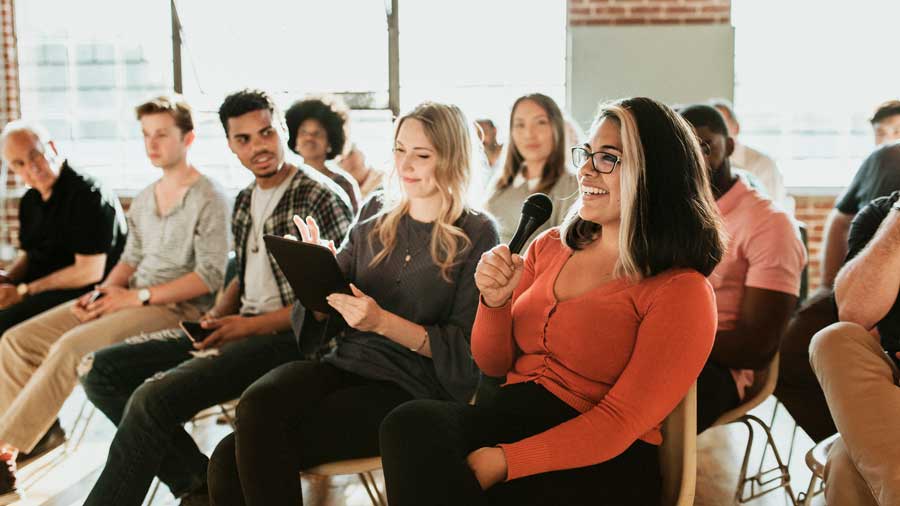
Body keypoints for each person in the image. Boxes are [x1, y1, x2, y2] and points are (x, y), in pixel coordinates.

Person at [378, 97, 725, 506]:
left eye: (608, 158)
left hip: (600, 457)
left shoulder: (682, 291)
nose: (586, 170)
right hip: (512, 415)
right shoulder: (551, 246)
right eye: (587, 155)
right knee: (410, 423)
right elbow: (492, 365)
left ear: (656, 174)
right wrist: (494, 303)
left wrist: (503, 462)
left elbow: (619, 422)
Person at [206, 101, 499, 505]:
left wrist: (383, 323)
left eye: (422, 154)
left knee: (231, 458)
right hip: (344, 365)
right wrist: (316, 271)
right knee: (249, 413)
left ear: (451, 157)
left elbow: (468, 353)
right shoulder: (378, 210)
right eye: (399, 150)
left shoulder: (478, 232)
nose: (405, 164)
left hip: (408, 387)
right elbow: (327, 307)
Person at [78, 89, 354, 506]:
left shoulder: (317, 196)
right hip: (238, 327)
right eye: (243, 139)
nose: (258, 147)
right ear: (229, 145)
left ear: (284, 131)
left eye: (265, 133)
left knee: (153, 398)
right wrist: (219, 316)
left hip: (291, 342)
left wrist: (243, 327)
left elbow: (331, 304)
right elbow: (242, 274)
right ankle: (198, 483)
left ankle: (191, 488)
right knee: (101, 371)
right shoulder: (244, 199)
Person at [0, 94, 231, 499]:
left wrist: (136, 296)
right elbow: (130, 257)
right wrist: (106, 291)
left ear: (188, 138)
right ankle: (21, 440)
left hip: (177, 307)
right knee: (16, 340)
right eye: (146, 135)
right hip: (131, 296)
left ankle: (4, 451)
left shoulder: (210, 195)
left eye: (162, 134)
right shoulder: (146, 196)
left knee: (71, 348)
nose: (152, 144)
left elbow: (209, 277)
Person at [680, 105, 806, 431]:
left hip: (721, 369)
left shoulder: (769, 223)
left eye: (704, 147)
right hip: (664, 350)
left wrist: (667, 343)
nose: (693, 158)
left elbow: (756, 347)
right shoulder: (673, 214)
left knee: (635, 417)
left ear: (731, 147)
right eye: (682, 148)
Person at [809, 190, 900, 505]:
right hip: (890, 393)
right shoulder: (882, 216)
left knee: (847, 462)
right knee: (833, 339)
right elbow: (854, 314)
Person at [0, 121, 126, 337]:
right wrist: (8, 280)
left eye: (35, 155)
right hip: (39, 288)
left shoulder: (87, 193)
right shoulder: (30, 200)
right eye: (19, 164)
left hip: (83, 291)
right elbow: (31, 254)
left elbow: (89, 272)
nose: (32, 168)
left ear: (52, 147)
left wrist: (22, 291)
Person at [819, 100, 900, 289]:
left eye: (897, 131)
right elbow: (839, 221)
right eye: (880, 133)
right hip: (864, 280)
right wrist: (827, 287)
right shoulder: (878, 160)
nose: (889, 140)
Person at [485, 93, 579, 246]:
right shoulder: (499, 184)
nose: (529, 134)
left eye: (540, 122)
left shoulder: (571, 186)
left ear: (556, 128)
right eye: (520, 125)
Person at [285, 96, 360, 213]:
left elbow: (355, 228)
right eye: (303, 132)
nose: (309, 138)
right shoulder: (285, 181)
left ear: (330, 142)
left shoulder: (343, 184)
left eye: (317, 133)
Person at [711, 98, 788, 208]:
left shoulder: (763, 164)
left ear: (736, 128)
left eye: (720, 126)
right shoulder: (706, 164)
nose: (715, 134)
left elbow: (774, 207)